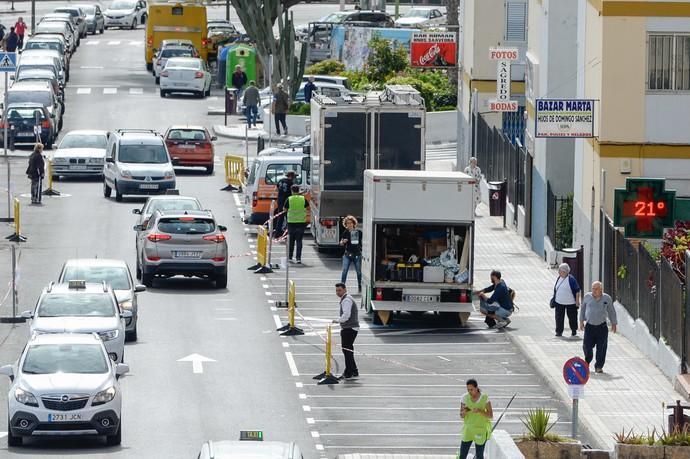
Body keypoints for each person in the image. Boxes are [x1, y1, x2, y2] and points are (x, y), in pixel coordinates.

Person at [579, 281, 617, 374]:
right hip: (589, 326)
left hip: (602, 327)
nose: (594, 291)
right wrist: (581, 321)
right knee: (587, 346)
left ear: (601, 290)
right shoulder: (587, 297)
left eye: (596, 289)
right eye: (593, 289)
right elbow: (583, 308)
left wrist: (614, 323)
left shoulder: (606, 298)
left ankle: (599, 366)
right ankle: (587, 361)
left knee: (602, 348)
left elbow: (611, 311)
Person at [459, 379, 493, 459]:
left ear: (476, 388)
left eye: (471, 389)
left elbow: (490, 415)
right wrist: (463, 412)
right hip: (468, 430)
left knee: (480, 456)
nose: (469, 392)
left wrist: (480, 411)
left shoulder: (485, 398)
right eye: (468, 390)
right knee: (462, 455)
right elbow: (461, 415)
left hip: (480, 430)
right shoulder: (464, 398)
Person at [333, 283, 359, 379]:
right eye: (336, 290)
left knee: (346, 350)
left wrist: (337, 320)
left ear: (345, 290)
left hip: (349, 328)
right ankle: (354, 370)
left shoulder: (346, 300)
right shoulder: (347, 298)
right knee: (349, 350)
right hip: (350, 328)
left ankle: (348, 372)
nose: (337, 292)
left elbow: (346, 315)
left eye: (339, 290)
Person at [551, 263, 581, 337]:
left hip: (570, 303)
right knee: (559, 318)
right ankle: (559, 331)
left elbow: (577, 291)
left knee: (572, 317)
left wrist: (577, 302)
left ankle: (574, 330)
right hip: (559, 302)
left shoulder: (571, 279)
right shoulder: (559, 278)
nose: (559, 272)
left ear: (565, 272)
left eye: (560, 271)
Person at [284, 184, 308, 263]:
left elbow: (285, 209)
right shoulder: (303, 198)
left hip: (291, 222)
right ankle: (298, 258)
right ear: (298, 190)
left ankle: (290, 257)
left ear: (291, 191)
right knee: (299, 241)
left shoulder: (289, 199)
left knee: (291, 241)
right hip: (301, 222)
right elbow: (307, 207)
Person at [339, 215, 362, 293]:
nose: (349, 225)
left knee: (358, 272)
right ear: (346, 224)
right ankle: (342, 287)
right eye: (347, 223)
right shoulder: (345, 232)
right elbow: (341, 243)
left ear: (353, 223)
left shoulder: (358, 232)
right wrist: (343, 242)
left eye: (350, 223)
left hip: (357, 254)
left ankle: (360, 285)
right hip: (347, 255)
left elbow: (363, 242)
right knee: (344, 270)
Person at [273, 170, 295, 238]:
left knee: (280, 217)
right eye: (294, 177)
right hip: (286, 201)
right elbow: (293, 193)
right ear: (291, 176)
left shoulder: (281, 180)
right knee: (288, 217)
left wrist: (281, 192)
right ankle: (288, 233)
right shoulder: (290, 183)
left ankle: (277, 233)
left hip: (280, 200)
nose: (294, 178)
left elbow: (276, 189)